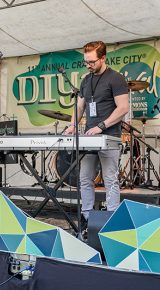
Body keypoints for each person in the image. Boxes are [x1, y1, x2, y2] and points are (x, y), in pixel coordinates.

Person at [64, 41, 129, 231]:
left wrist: (102, 126)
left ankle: (111, 220)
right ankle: (86, 218)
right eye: (86, 62)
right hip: (89, 137)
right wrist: (73, 125)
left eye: (92, 62)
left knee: (110, 179)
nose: (88, 65)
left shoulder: (115, 78)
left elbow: (123, 107)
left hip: (109, 136)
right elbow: (80, 106)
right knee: (85, 177)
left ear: (103, 58)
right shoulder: (86, 79)